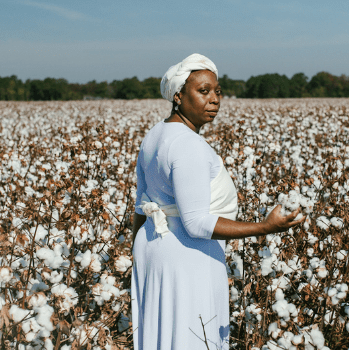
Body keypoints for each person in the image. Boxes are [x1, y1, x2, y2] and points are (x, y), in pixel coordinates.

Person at [130, 53, 305, 350]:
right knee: (192, 338)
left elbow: (139, 209)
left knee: (164, 336)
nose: (214, 99)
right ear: (178, 95)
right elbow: (197, 224)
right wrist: (265, 227)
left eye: (217, 90)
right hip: (187, 259)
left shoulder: (154, 135)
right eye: (203, 91)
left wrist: (137, 255)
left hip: (153, 250)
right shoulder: (189, 146)